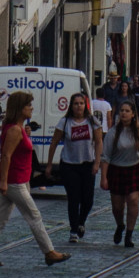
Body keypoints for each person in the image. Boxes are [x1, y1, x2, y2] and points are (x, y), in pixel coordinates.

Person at [0, 93, 67, 268]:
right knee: (34, 215)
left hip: (19, 179)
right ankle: (49, 252)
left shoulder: (18, 128)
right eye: (28, 106)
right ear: (20, 109)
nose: (32, 108)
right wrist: (3, 181)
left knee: (0, 218)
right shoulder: (14, 130)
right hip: (14, 181)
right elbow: (6, 155)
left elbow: (20, 152)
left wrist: (27, 135)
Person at [46, 90, 101, 245]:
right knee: (73, 198)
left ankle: (81, 222)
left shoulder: (92, 121)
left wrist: (97, 162)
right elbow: (54, 142)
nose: (79, 107)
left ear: (85, 105)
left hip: (87, 164)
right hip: (69, 165)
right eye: (76, 104)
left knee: (88, 199)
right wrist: (50, 164)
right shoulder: (64, 122)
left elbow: (98, 142)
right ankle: (73, 230)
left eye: (81, 103)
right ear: (71, 106)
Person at [103, 100, 139, 249]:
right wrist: (103, 177)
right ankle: (120, 225)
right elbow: (105, 157)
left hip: (135, 168)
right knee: (117, 206)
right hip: (117, 169)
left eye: (126, 111)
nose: (123, 113)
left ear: (132, 114)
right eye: (121, 111)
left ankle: (129, 234)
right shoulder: (113, 132)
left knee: (133, 200)